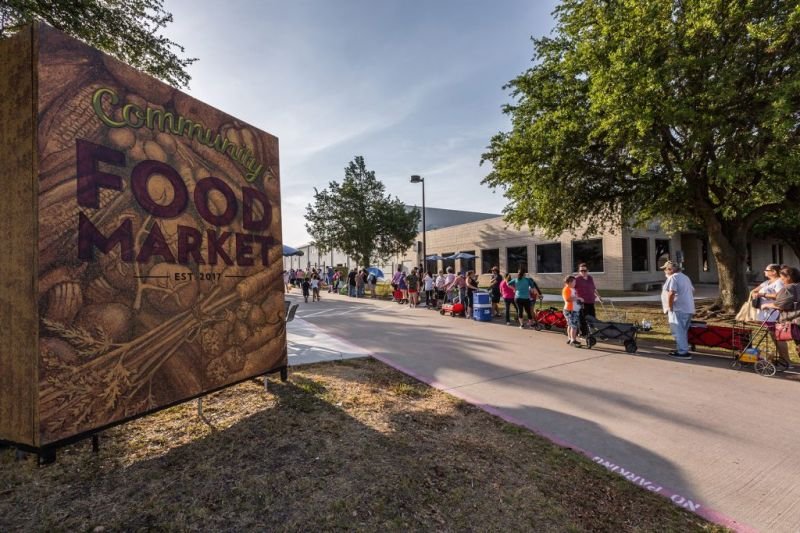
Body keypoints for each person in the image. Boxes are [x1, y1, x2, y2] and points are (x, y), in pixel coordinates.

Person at [761, 265, 800, 368]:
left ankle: (786, 361)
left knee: (795, 342)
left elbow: (780, 305)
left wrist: (766, 305)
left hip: (794, 320)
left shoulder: (787, 289)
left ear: (788, 277)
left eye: (782, 278)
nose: (781, 280)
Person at [660, 260, 695, 359]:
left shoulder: (673, 278)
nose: (664, 272)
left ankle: (683, 352)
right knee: (683, 331)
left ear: (670, 269)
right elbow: (692, 290)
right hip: (688, 308)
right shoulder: (685, 277)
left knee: (677, 330)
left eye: (665, 269)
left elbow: (671, 293)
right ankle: (682, 348)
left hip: (678, 309)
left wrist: (670, 307)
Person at [574, 263, 602, 337]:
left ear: (588, 270)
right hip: (582, 303)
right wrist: (576, 298)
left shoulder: (590, 278)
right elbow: (571, 289)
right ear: (579, 271)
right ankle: (583, 333)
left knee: (592, 317)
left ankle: (591, 332)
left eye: (584, 270)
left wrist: (598, 296)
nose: (583, 272)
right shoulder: (576, 279)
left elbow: (593, 288)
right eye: (581, 270)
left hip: (591, 301)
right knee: (583, 318)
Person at [562, 275, 583, 346]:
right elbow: (568, 299)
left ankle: (570, 338)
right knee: (574, 326)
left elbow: (574, 298)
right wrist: (578, 299)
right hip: (570, 310)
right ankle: (573, 341)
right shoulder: (566, 289)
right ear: (569, 282)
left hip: (574, 310)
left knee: (570, 325)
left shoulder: (572, 289)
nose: (575, 283)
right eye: (574, 282)